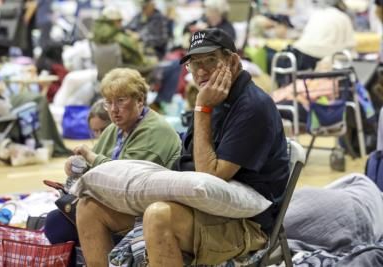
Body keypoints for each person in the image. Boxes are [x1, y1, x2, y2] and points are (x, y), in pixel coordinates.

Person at [76, 28, 289, 266]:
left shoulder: (251, 107)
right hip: (201, 210)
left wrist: (202, 109)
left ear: (232, 60)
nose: (201, 71)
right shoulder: (216, 96)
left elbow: (210, 178)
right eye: (194, 64)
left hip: (247, 224)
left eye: (210, 60)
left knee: (159, 216)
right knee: (89, 208)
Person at [44, 68, 182, 264]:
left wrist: (90, 156)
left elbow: (125, 179)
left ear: (140, 100)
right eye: (108, 102)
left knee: (64, 221)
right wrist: (77, 166)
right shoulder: (114, 129)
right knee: (56, 220)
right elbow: (93, 170)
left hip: (145, 207)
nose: (114, 110)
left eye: (121, 101)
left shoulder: (155, 130)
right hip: (119, 201)